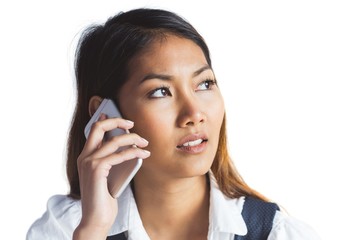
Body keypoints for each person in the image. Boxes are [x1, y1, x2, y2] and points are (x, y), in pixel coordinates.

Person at [27, 8, 321, 240]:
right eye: (160, 92)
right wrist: (93, 230)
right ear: (105, 115)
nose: (194, 113)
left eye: (204, 84)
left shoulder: (275, 233)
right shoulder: (66, 229)